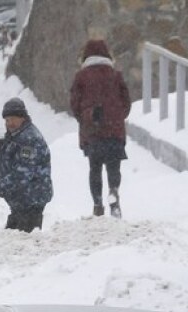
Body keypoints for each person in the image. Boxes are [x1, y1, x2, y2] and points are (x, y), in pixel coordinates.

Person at [70, 39, 131, 218]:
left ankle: (97, 204)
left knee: (94, 168)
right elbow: (126, 103)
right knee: (113, 167)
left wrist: (85, 118)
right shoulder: (115, 75)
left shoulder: (81, 77)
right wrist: (117, 116)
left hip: (93, 131)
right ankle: (114, 192)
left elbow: (75, 105)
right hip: (114, 130)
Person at [0, 98, 54, 232]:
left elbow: (22, 174)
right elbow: (15, 147)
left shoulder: (30, 139)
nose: (10, 123)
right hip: (21, 200)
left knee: (24, 241)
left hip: (31, 199)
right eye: (7, 120)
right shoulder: (18, 134)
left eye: (13, 119)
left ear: (22, 117)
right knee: (13, 238)